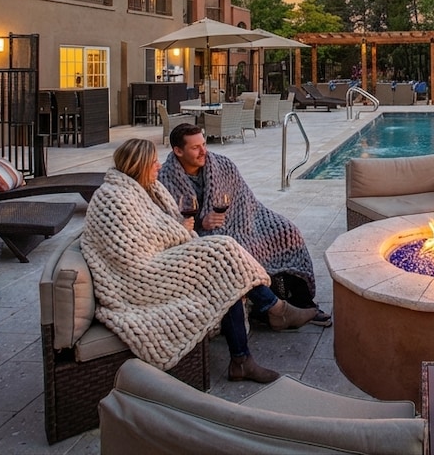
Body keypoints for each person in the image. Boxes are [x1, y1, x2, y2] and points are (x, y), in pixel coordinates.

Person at [82, 138, 315, 385]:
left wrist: (178, 229)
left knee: (226, 271)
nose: (158, 166)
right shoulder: (112, 197)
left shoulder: (145, 189)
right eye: (152, 162)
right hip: (141, 275)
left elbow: (157, 229)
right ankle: (275, 312)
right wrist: (179, 230)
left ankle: (244, 357)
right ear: (137, 165)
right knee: (222, 253)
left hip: (161, 258)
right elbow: (132, 249)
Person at [161, 123, 332, 327]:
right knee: (236, 252)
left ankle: (303, 302)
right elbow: (168, 223)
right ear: (178, 151)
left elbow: (244, 200)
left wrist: (243, 222)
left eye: (204, 144)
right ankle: (269, 309)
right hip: (203, 236)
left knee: (286, 230)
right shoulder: (165, 179)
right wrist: (200, 223)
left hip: (241, 221)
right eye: (195, 147)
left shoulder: (222, 165)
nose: (203, 151)